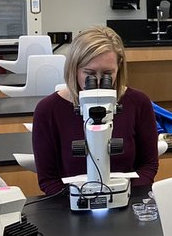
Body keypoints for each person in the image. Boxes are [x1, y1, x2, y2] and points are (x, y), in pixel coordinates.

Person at [32, 26, 160, 197]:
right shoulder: (48, 110)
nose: (99, 82)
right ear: (74, 68)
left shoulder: (138, 102)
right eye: (89, 73)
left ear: (119, 68)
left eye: (108, 74)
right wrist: (80, 200)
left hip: (126, 199)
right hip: (70, 205)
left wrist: (122, 195)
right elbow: (48, 180)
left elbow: (149, 165)